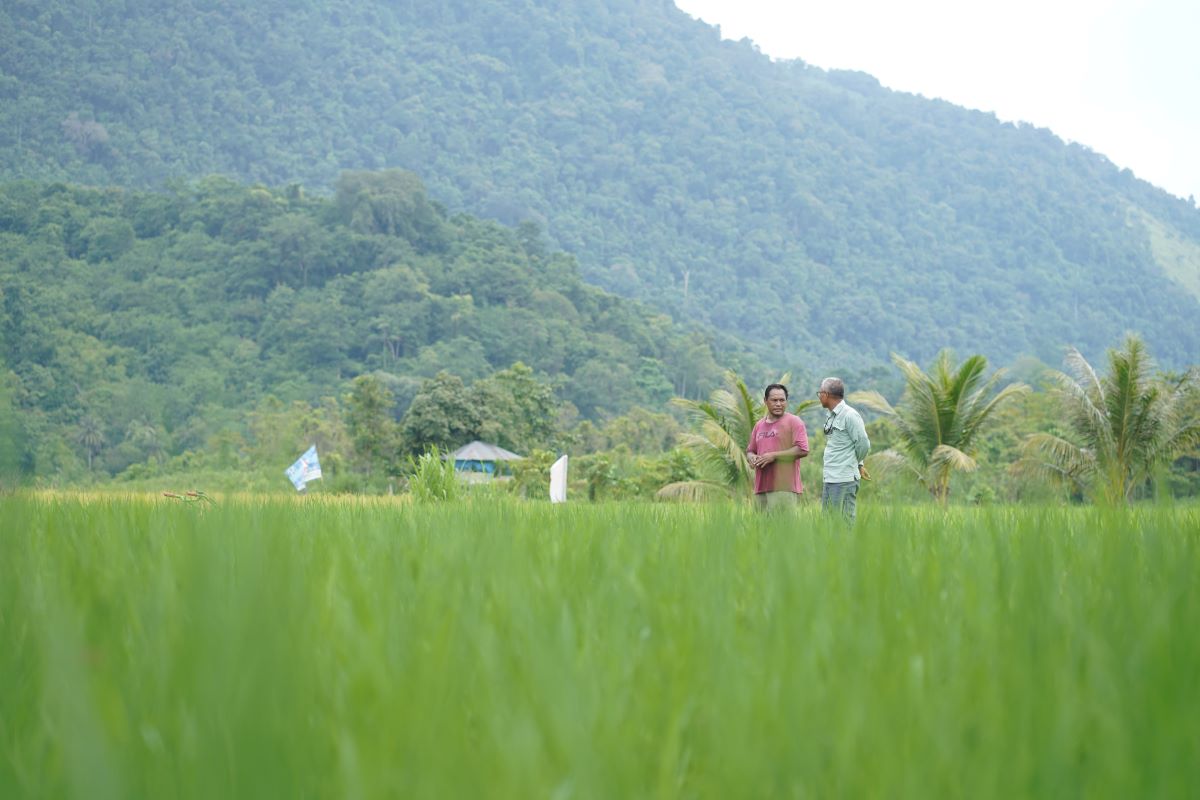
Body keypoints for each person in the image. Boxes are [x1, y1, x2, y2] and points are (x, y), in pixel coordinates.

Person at [746, 383, 809, 511]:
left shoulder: (794, 422)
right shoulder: (759, 425)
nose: (778, 404)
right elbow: (750, 450)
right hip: (761, 489)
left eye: (782, 400)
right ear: (765, 401)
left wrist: (773, 456)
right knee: (760, 530)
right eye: (774, 400)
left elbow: (803, 449)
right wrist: (752, 458)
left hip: (784, 489)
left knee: (782, 530)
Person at [817, 377, 871, 523]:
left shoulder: (850, 415)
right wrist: (859, 464)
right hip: (830, 477)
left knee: (844, 524)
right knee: (828, 524)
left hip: (844, 479)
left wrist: (855, 463)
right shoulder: (831, 415)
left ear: (826, 394)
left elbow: (863, 444)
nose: (819, 396)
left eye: (820, 393)